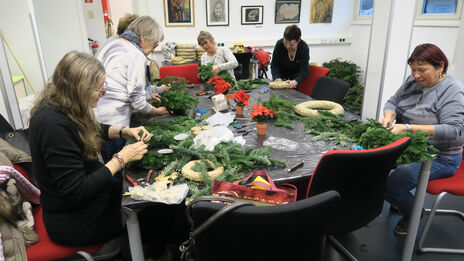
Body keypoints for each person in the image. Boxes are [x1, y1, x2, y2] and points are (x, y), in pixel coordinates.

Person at [28, 51, 150, 246]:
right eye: (99, 89)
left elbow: (91, 130)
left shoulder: (63, 106)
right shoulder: (53, 127)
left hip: (85, 208)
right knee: (153, 217)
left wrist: (124, 132)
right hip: (77, 223)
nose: (104, 93)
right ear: (80, 88)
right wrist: (120, 160)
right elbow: (77, 191)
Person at [380, 43, 464, 236]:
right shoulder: (413, 81)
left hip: (441, 157)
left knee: (388, 185)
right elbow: (393, 101)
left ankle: (415, 214)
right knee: (374, 167)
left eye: (422, 70)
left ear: (440, 66)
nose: (416, 75)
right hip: (410, 145)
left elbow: (455, 130)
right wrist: (388, 116)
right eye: (413, 69)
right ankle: (398, 198)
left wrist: (408, 128)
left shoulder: (452, 91)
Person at [93, 16, 169, 164]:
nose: (153, 49)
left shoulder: (113, 44)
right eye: (155, 44)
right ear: (143, 38)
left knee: (108, 161)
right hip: (115, 121)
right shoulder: (136, 55)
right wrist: (158, 111)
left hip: (98, 119)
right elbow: (138, 103)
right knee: (117, 166)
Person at [271, 25, 310, 89]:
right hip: (281, 78)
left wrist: (296, 81)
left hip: (295, 79)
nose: (288, 46)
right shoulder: (280, 44)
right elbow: (274, 65)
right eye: (285, 42)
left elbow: (305, 70)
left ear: (299, 40)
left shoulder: (303, 48)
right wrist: (276, 77)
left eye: (291, 44)